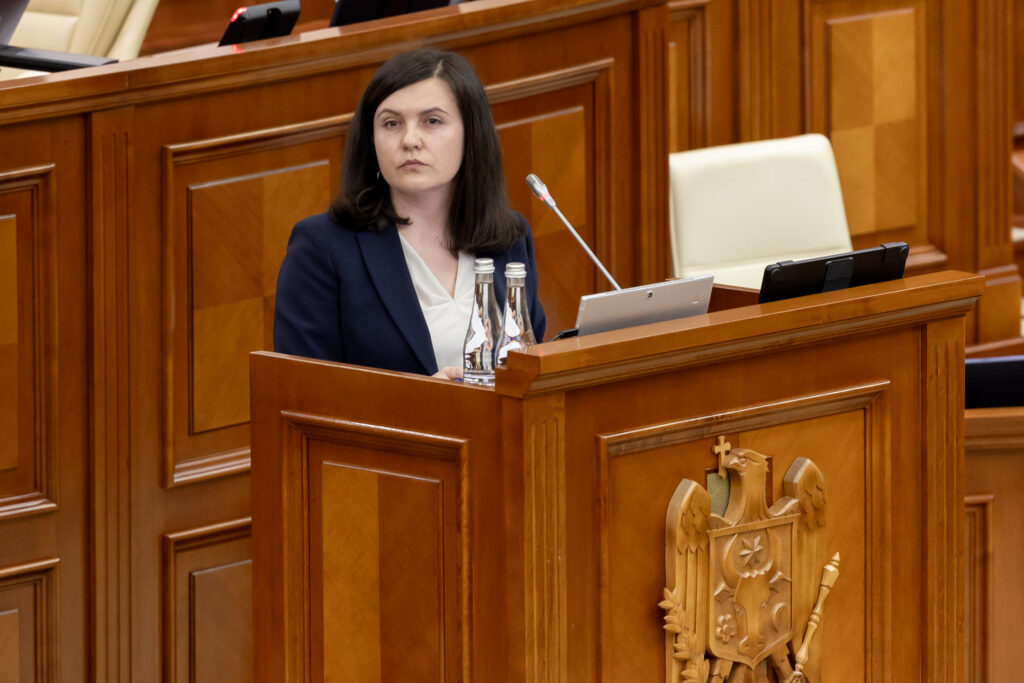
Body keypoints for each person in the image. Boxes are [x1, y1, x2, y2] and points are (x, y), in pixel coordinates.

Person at [273, 49, 546, 378]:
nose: (410, 140)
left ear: (471, 133)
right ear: (371, 140)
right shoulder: (322, 248)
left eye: (432, 121)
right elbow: (301, 392)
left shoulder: (510, 237)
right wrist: (425, 400)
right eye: (391, 123)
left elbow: (531, 366)